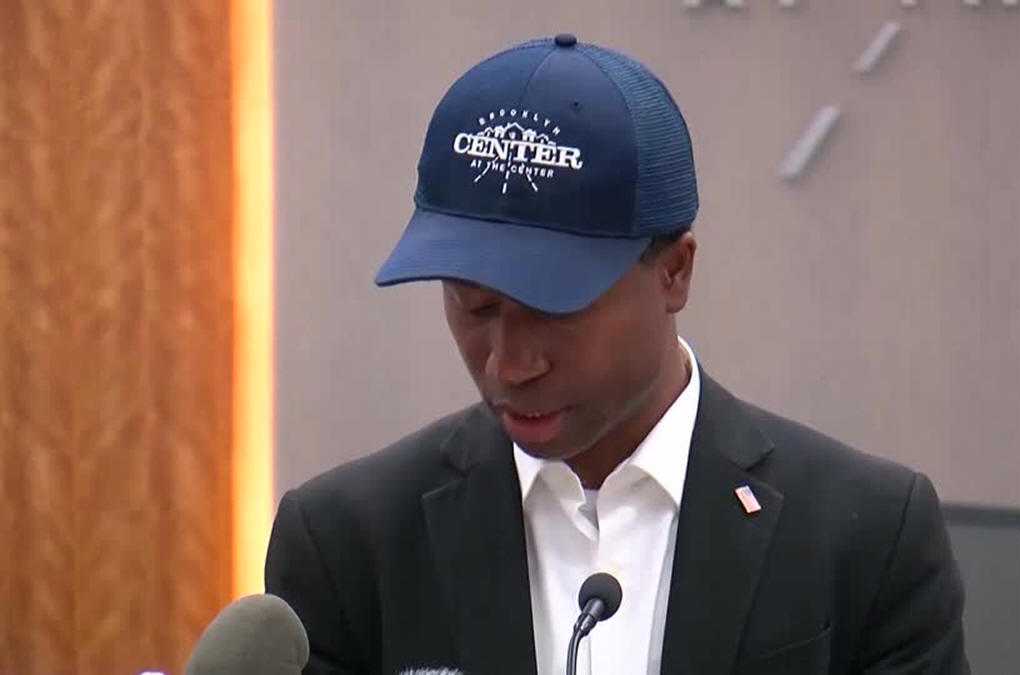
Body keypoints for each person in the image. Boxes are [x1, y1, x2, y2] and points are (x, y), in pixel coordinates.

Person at [265, 34, 967, 675]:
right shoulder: (347, 545)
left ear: (675, 272)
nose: (509, 364)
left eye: (554, 307)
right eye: (475, 307)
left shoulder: (867, 539)